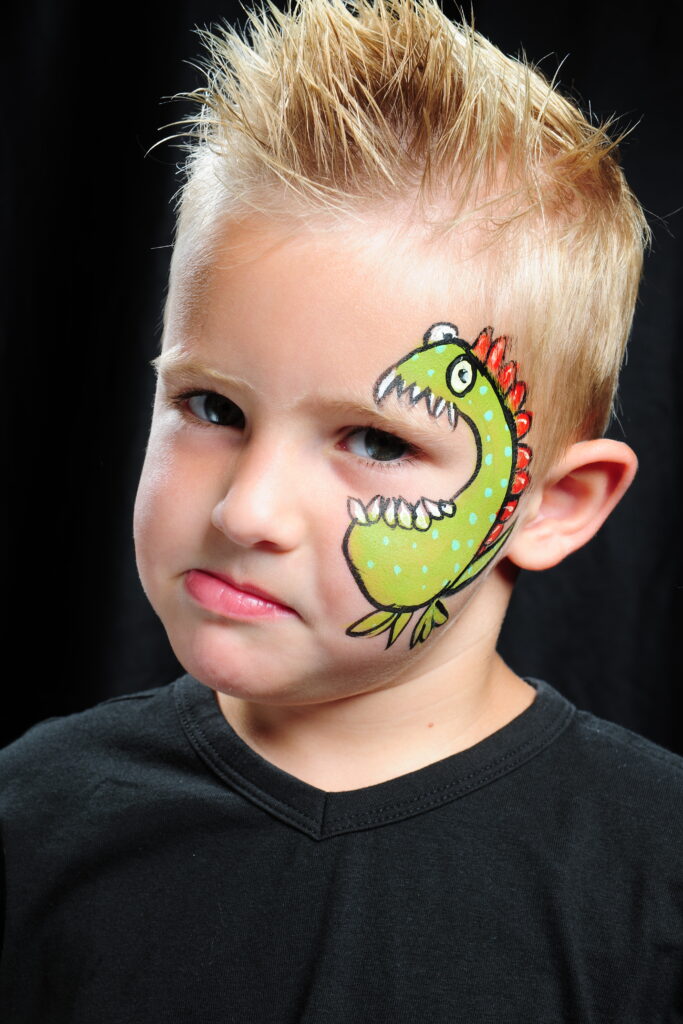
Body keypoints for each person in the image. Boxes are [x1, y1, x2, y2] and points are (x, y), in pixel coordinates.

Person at [2, 0, 681, 1019]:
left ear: (552, 506)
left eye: (377, 442)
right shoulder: (30, 816)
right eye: (213, 407)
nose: (248, 509)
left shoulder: (655, 879)